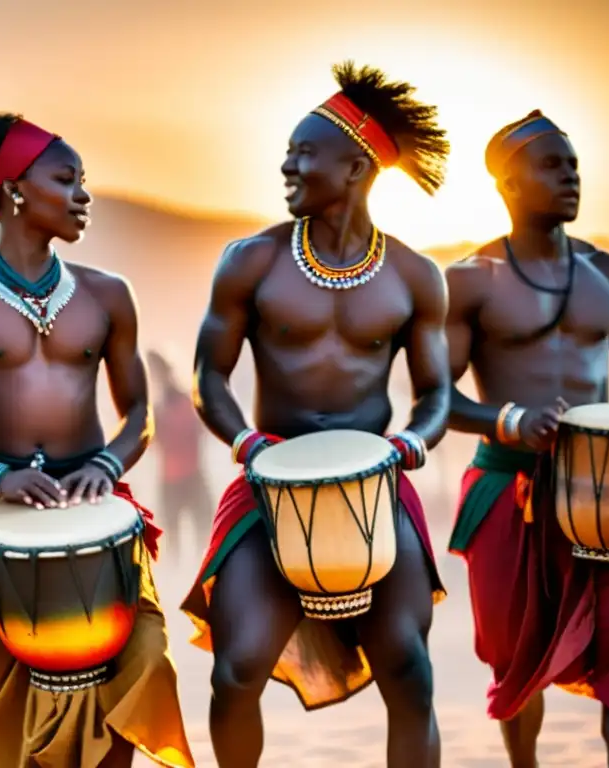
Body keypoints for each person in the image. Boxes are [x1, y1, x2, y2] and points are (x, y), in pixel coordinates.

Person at [181, 61, 450, 768]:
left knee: (410, 672)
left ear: (357, 166)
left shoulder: (416, 275)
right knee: (235, 671)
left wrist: (413, 444)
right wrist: (245, 441)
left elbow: (436, 393)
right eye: (289, 152)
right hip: (268, 486)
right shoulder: (251, 261)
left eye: (304, 153)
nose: (287, 164)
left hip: (376, 488)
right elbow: (209, 373)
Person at [0, 112, 194, 768]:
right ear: (12, 190)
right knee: (8, 720)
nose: (82, 194)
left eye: (83, 181)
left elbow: (138, 411)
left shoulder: (109, 295)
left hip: (97, 508)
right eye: (66, 179)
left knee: (138, 669)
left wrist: (109, 460)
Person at [445, 110, 609, 768]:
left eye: (573, 164)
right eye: (551, 165)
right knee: (514, 651)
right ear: (508, 185)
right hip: (506, 484)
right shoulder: (469, 280)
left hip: (607, 496)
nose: (570, 176)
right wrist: (509, 420)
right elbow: (437, 397)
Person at [147, 349, 213, 563]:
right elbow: (153, 443)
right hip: (172, 478)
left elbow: (198, 432)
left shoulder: (184, 402)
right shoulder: (159, 409)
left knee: (203, 535)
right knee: (174, 540)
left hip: (190, 475)